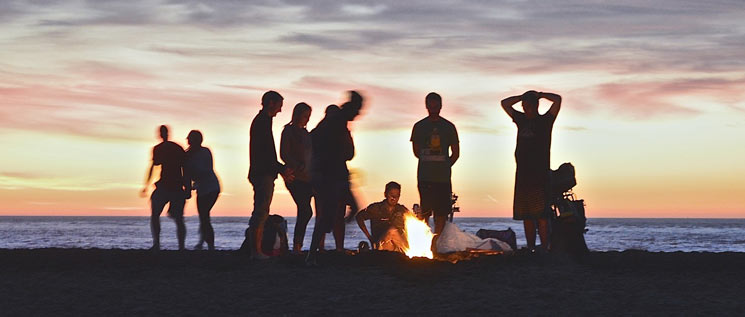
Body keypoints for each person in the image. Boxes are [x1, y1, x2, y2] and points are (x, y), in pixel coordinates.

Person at [306, 91, 364, 266]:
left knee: (350, 209)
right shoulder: (337, 122)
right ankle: (313, 252)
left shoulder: (338, 123)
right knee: (331, 214)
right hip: (330, 175)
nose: (359, 114)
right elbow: (347, 152)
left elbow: (348, 152)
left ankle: (322, 242)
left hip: (335, 174)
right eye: (358, 110)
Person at [501, 90, 562, 252]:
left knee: (542, 215)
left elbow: (557, 100)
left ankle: (544, 247)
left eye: (527, 106)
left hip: (540, 174)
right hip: (522, 174)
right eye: (523, 106)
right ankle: (530, 247)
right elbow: (505, 103)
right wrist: (521, 97)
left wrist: (540, 94)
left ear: (535, 106)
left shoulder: (545, 121)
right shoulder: (520, 119)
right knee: (526, 215)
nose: (525, 109)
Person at [244, 90, 294, 259]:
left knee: (261, 210)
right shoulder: (262, 122)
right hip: (262, 173)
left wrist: (279, 169)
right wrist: (281, 169)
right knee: (261, 211)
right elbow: (266, 153)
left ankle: (256, 251)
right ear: (271, 103)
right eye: (279, 106)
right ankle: (255, 252)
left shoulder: (263, 121)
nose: (280, 110)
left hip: (262, 171)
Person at [410, 92, 460, 240]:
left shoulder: (449, 127)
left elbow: (456, 153)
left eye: (436, 105)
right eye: (430, 105)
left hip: (443, 179)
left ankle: (436, 243)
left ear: (441, 106)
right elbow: (416, 151)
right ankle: (425, 242)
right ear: (426, 106)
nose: (433, 108)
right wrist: (430, 160)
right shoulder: (419, 126)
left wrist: (445, 165)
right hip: (425, 177)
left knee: (441, 213)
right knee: (425, 212)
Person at [140, 125, 188, 251]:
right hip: (167, 185)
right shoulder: (163, 148)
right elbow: (154, 166)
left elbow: (185, 168)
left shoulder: (173, 148)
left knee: (176, 218)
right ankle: (158, 244)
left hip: (175, 186)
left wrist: (187, 186)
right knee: (158, 215)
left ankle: (178, 246)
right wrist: (146, 184)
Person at [280, 102, 314, 254]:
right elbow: (284, 153)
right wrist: (296, 165)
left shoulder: (307, 134)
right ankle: (297, 246)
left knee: (306, 210)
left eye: (308, 116)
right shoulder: (288, 131)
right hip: (295, 177)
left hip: (308, 177)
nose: (306, 119)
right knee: (305, 210)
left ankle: (299, 246)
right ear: (297, 115)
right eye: (305, 116)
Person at [184, 130, 220, 251]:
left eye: (189, 138)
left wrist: (190, 185)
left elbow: (206, 170)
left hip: (211, 187)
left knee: (204, 216)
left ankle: (209, 245)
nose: (188, 141)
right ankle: (203, 243)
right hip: (202, 188)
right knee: (204, 217)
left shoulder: (204, 152)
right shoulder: (188, 155)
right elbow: (187, 174)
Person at [355, 181, 408, 252]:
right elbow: (359, 217)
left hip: (398, 246)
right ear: (385, 194)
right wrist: (369, 237)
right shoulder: (376, 208)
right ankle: (408, 252)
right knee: (392, 231)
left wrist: (418, 215)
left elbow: (414, 221)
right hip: (382, 245)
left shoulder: (402, 210)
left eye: (397, 195)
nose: (394, 198)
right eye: (391, 195)